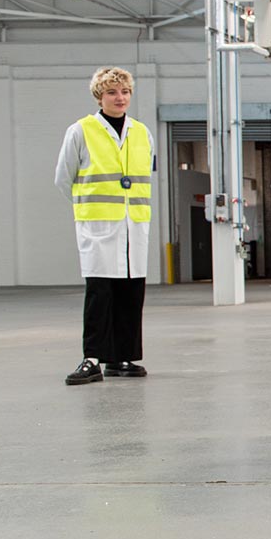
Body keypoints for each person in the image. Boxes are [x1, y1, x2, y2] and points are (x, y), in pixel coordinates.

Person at [55, 67, 154, 385]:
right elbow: (63, 178)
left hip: (133, 226)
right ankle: (92, 357)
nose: (120, 97)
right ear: (100, 96)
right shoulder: (81, 131)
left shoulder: (141, 132)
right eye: (112, 92)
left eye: (125, 91)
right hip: (98, 225)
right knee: (100, 293)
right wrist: (88, 206)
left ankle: (121, 357)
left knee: (130, 292)